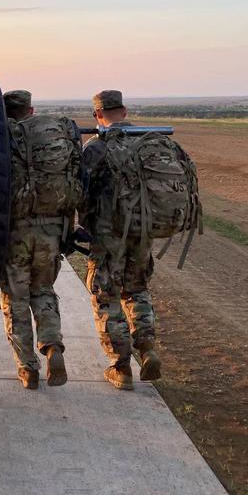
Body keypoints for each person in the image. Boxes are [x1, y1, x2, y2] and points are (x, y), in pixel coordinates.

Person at [80, 89, 176, 390]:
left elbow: (82, 192)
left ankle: (120, 365)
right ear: (124, 111)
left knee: (105, 295)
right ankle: (147, 350)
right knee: (137, 289)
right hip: (143, 230)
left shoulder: (96, 147)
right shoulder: (150, 143)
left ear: (98, 115)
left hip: (110, 234)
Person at [0, 90, 78, 389]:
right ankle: (53, 347)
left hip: (15, 231)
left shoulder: (3, 137)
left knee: (16, 300)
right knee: (43, 290)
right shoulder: (52, 135)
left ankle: (27, 366)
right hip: (50, 230)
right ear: (30, 109)